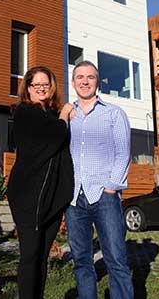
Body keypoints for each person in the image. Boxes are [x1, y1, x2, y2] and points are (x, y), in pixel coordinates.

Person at [65, 60, 134, 299]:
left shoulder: (114, 113)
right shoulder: (67, 115)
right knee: (82, 262)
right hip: (74, 199)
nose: (85, 81)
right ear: (73, 82)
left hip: (105, 197)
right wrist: (63, 114)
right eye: (80, 77)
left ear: (97, 81)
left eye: (90, 77)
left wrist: (112, 188)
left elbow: (123, 152)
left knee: (116, 259)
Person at [6, 65, 74, 299]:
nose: (42, 88)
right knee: (30, 256)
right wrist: (65, 115)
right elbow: (55, 135)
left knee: (42, 257)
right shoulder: (25, 113)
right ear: (28, 88)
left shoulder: (51, 116)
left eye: (46, 84)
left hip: (53, 198)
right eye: (37, 85)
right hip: (29, 196)